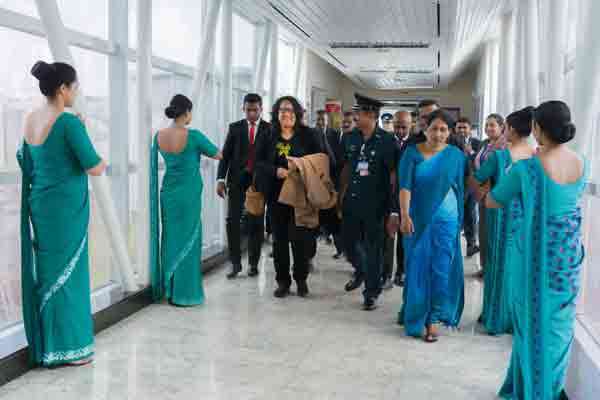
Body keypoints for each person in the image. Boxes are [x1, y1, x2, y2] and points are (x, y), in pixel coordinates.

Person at [484, 101, 587, 400]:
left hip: (534, 259)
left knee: (530, 325)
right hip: (567, 258)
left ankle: (533, 391)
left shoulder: (527, 168)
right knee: (558, 326)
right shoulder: (583, 163)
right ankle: (546, 388)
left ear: (538, 128)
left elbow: (493, 200)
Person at [18, 61, 106, 366]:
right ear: (62, 89)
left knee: (49, 274)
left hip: (41, 206)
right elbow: (94, 165)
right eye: (75, 86)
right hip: (66, 210)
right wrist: (86, 135)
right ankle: (70, 349)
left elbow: (27, 160)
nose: (76, 92)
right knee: (70, 277)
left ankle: (49, 346)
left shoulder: (30, 118)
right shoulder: (68, 123)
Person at [398, 109, 466, 342]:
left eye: (443, 129)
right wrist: (404, 215)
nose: (438, 134)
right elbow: (404, 186)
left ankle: (434, 319)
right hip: (417, 219)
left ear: (450, 132)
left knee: (441, 268)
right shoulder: (412, 153)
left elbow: (460, 187)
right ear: (425, 130)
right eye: (434, 128)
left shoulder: (456, 156)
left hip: (447, 220)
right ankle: (416, 314)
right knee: (417, 267)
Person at [150, 94, 222, 306]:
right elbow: (218, 154)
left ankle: (170, 290)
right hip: (189, 195)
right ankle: (186, 294)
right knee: (190, 240)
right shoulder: (194, 136)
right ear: (187, 112)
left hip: (168, 194)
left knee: (170, 238)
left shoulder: (159, 136)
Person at [470, 107, 536, 335]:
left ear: (512, 130)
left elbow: (476, 178)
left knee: (498, 265)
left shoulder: (500, 157)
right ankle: (515, 318)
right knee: (520, 267)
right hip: (527, 219)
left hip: (500, 216)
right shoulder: (536, 156)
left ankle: (495, 315)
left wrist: (484, 193)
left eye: (505, 127)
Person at [255, 96, 323, 298]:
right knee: (280, 241)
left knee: (300, 240)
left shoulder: (308, 135)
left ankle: (301, 279)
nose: (287, 114)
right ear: (276, 113)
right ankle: (282, 282)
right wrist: (275, 170)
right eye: (283, 110)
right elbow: (258, 162)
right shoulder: (267, 135)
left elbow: (320, 160)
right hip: (276, 196)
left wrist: (302, 168)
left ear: (298, 114)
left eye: (291, 110)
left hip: (301, 196)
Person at [340, 93, 399, 310]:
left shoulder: (387, 141)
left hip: (376, 204)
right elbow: (345, 168)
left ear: (372, 116)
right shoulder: (350, 137)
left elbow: (394, 176)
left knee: (374, 249)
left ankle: (371, 292)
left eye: (360, 113)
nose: (356, 116)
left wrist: (393, 209)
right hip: (352, 201)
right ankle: (361, 269)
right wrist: (339, 196)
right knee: (347, 243)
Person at [216, 93, 271, 279]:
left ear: (261, 109)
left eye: (255, 110)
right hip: (236, 182)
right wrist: (220, 179)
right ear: (243, 109)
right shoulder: (235, 128)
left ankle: (253, 264)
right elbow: (225, 156)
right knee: (232, 221)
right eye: (248, 110)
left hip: (258, 184)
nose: (252, 113)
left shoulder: (269, 129)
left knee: (256, 223)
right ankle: (235, 263)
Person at [473, 114, 507, 277]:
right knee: (483, 231)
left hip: (495, 193)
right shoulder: (485, 144)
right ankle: (485, 266)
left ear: (502, 127)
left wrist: (486, 186)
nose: (488, 128)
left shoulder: (505, 146)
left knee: (494, 232)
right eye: (486, 125)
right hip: (481, 192)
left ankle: (494, 268)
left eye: (492, 125)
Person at [382, 110, 413, 288]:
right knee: (387, 238)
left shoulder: (416, 143)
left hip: (407, 198)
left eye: (404, 127)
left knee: (403, 238)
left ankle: (401, 271)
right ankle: (385, 275)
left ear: (410, 125)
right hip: (387, 196)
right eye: (397, 127)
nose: (400, 131)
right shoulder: (385, 141)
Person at [456, 117, 482, 257]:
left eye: (464, 127)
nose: (461, 130)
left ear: (470, 129)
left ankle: (471, 245)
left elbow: (480, 162)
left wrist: (471, 152)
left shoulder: (477, 143)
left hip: (472, 185)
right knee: (457, 214)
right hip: (457, 184)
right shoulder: (451, 142)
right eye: (459, 127)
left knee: (470, 215)